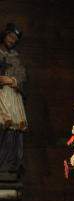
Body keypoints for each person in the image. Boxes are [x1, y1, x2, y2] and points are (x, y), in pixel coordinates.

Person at [0, 22, 27, 171]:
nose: (12, 41)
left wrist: (14, 81)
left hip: (13, 99)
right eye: (10, 36)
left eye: (15, 39)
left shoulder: (16, 58)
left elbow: (23, 79)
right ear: (5, 35)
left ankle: (10, 165)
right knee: (3, 125)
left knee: (14, 129)